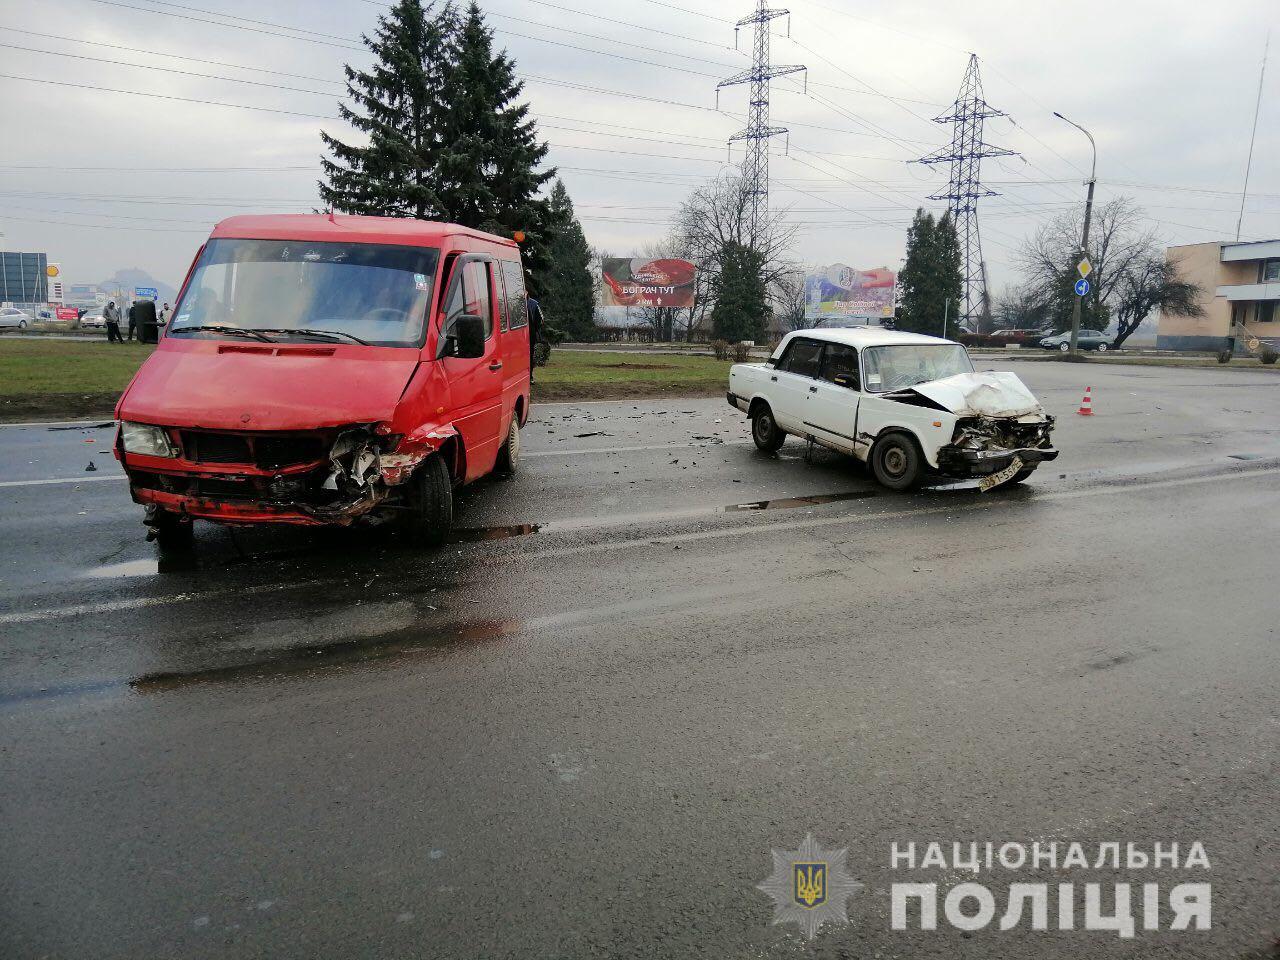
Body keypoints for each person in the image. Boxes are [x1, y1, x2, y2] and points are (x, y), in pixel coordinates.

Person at [526, 295, 543, 372]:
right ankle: (530, 375)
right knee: (530, 354)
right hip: (530, 333)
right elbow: (540, 320)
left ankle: (529, 375)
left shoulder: (534, 304)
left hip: (528, 334)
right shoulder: (534, 303)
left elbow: (540, 319)